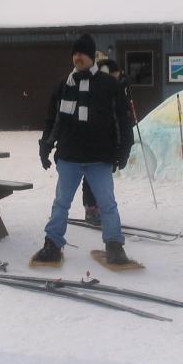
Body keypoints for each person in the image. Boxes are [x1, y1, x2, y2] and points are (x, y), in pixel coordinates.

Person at [34, 34, 135, 264]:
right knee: (61, 203)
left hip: (99, 158)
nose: (78, 57)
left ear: (91, 57)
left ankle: (114, 245)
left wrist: (123, 150)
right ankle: (52, 243)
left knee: (107, 204)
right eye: (75, 53)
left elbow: (122, 120)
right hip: (69, 156)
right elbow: (53, 120)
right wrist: (46, 146)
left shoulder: (109, 85)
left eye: (83, 53)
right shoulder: (63, 86)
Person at [81, 58, 130, 225]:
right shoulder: (93, 88)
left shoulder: (114, 88)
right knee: (89, 178)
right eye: (113, 77)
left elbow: (121, 119)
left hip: (106, 146)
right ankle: (91, 209)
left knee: (103, 181)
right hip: (89, 143)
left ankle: (101, 208)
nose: (115, 81)